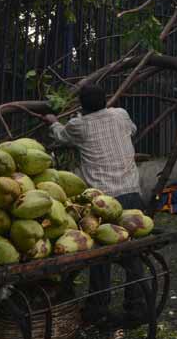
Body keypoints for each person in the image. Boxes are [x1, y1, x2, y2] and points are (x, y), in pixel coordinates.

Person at [46, 84, 146, 320]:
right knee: (133, 253)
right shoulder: (121, 115)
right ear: (106, 100)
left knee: (99, 255)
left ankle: (98, 307)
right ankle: (137, 305)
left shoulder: (78, 125)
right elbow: (132, 130)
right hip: (131, 192)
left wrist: (52, 120)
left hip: (102, 200)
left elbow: (60, 136)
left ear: (81, 105)